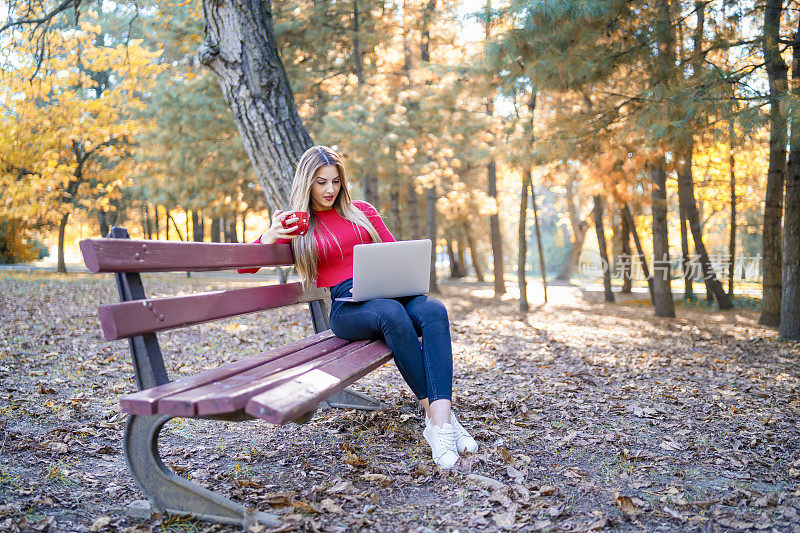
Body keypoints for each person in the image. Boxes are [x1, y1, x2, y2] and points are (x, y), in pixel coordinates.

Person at [244, 145, 477, 468]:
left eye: (335, 181)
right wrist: (271, 235)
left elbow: (394, 253)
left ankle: (439, 421)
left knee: (433, 310)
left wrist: (397, 278)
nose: (329, 190)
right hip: (347, 307)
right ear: (306, 182)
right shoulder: (298, 223)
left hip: (387, 291)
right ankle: (442, 422)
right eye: (321, 182)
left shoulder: (362, 211)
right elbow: (246, 267)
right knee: (390, 313)